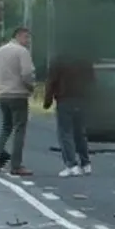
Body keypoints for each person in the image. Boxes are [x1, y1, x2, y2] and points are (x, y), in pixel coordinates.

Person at [0, 26, 36, 176]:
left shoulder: (0, 51)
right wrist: (31, 87)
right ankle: (16, 165)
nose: (28, 41)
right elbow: (27, 73)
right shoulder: (22, 52)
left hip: (3, 94)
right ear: (20, 36)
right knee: (19, 129)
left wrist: (0, 86)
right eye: (27, 37)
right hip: (18, 94)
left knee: (6, 127)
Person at [43, 49, 96, 177]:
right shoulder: (85, 59)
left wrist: (47, 101)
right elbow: (92, 81)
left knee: (65, 133)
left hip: (65, 99)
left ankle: (71, 164)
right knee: (79, 133)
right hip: (81, 99)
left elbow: (52, 81)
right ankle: (86, 163)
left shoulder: (59, 59)